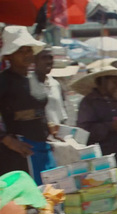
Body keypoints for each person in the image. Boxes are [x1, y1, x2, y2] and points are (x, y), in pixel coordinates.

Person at [73, 67, 117, 214]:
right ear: (102, 81)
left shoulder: (116, 103)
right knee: (109, 204)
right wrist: (109, 127)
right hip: (102, 164)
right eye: (113, 81)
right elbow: (83, 131)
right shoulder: (88, 103)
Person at [0, 26, 56, 185]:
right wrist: (7, 140)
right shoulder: (4, 81)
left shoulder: (34, 78)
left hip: (43, 146)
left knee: (49, 195)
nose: (26, 54)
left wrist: (49, 126)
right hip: (20, 150)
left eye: (28, 50)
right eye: (20, 51)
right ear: (9, 56)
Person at [34, 47, 68, 126]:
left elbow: (61, 116)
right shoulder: (28, 83)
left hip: (56, 134)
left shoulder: (55, 84)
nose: (48, 61)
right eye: (44, 58)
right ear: (35, 60)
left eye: (50, 58)